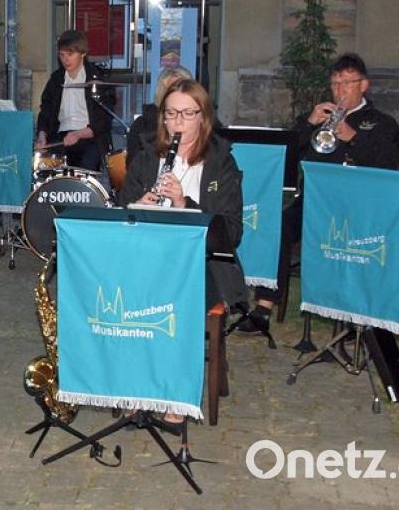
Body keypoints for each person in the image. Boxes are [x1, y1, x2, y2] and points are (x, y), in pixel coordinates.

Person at [232, 52, 399, 334]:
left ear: (364, 85)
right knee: (278, 226)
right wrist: (308, 124)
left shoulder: (382, 123)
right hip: (313, 203)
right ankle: (263, 307)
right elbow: (287, 156)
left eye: (347, 83)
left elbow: (387, 163)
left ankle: (353, 314)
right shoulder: (319, 117)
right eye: (335, 83)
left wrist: (353, 137)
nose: (339, 90)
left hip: (357, 208)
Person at [118, 79, 247, 423]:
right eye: (172, 113)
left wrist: (183, 203)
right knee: (123, 292)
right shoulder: (147, 158)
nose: (178, 122)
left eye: (188, 114)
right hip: (149, 258)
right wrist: (137, 205)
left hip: (202, 263)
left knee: (175, 297)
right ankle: (135, 384)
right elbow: (121, 212)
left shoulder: (221, 163)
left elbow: (231, 233)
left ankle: (175, 390)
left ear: (203, 118)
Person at [35, 30, 115, 171]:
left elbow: (104, 120)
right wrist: (42, 135)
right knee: (48, 169)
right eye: (62, 55)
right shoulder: (56, 79)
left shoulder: (97, 78)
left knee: (87, 164)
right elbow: (46, 110)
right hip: (60, 136)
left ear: (83, 53)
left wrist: (78, 134)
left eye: (70, 54)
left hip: (89, 135)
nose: (65, 60)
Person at [125, 66, 193, 169]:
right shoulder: (142, 125)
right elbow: (133, 167)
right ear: (162, 93)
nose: (177, 95)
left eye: (183, 90)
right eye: (172, 90)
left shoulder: (202, 121)